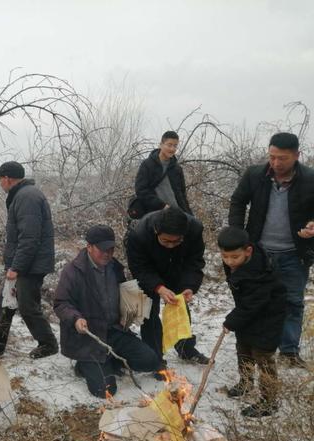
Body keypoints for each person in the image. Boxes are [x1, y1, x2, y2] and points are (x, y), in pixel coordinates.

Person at [229, 132, 314, 368]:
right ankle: (257, 347)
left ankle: (289, 352)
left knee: (292, 302)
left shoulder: (310, 178)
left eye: (283, 158)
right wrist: (238, 236)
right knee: (255, 300)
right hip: (259, 253)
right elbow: (238, 201)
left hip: (293, 254)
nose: (276, 163)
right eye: (272, 157)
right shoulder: (255, 174)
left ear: (297, 155)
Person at [54, 226, 161, 397]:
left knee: (150, 360)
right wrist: (76, 319)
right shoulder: (73, 271)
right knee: (105, 390)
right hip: (88, 337)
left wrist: (130, 311)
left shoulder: (115, 268)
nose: (107, 253)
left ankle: (110, 358)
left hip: (114, 331)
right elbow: (61, 303)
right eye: (103, 249)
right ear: (89, 247)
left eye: (111, 249)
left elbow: (124, 294)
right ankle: (84, 365)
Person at [0, 161, 59, 359]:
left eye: (0, 180)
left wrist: (16, 267)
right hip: (25, 262)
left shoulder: (26, 196)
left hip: (30, 264)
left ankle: (48, 344)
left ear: (6, 178)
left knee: (27, 305)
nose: (0, 184)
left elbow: (29, 238)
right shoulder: (23, 195)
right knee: (3, 299)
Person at [218, 226, 287, 417]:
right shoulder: (241, 264)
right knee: (244, 350)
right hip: (249, 317)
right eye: (225, 257)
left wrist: (231, 321)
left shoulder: (260, 273)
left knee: (263, 357)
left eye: (234, 257)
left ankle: (269, 401)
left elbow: (253, 304)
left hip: (268, 318)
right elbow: (247, 304)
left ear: (248, 251)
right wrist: (238, 320)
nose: (229, 262)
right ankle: (246, 383)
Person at [125, 207, 209, 364]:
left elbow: (194, 262)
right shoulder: (139, 234)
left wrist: (189, 286)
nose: (171, 245)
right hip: (150, 270)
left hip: (177, 268)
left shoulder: (194, 229)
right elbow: (139, 268)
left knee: (180, 307)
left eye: (176, 241)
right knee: (150, 312)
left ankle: (186, 349)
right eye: (166, 241)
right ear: (156, 231)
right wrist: (158, 287)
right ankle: (155, 358)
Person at [134, 130, 192, 215]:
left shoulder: (177, 169)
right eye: (169, 145)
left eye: (175, 146)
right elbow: (141, 191)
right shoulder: (147, 165)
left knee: (198, 226)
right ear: (161, 144)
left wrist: (189, 214)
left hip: (177, 213)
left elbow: (182, 195)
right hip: (156, 213)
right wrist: (161, 206)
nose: (172, 149)